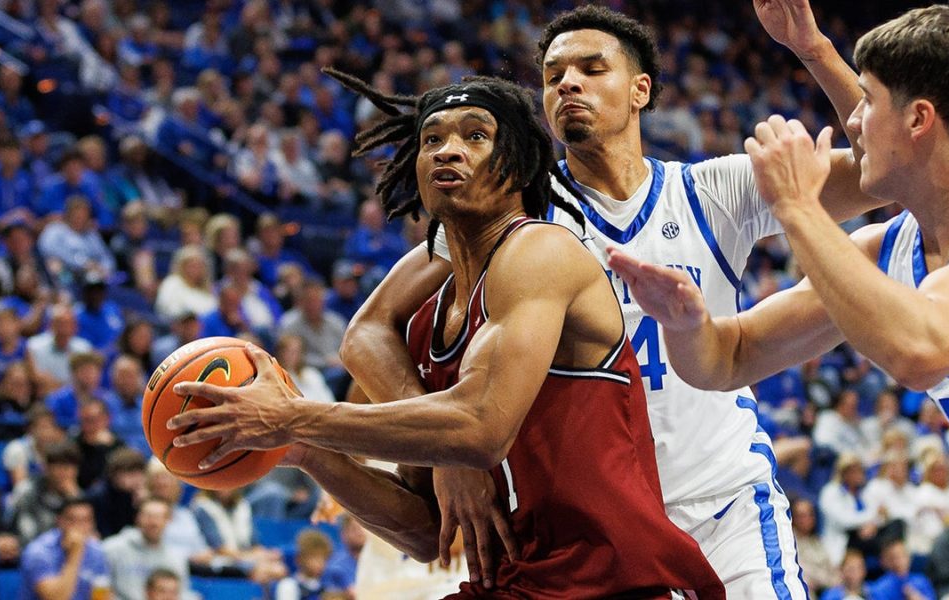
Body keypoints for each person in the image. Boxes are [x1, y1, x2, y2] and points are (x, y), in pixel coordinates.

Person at [339, 2, 881, 593]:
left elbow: (884, 174)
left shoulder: (712, 191)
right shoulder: (512, 214)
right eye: (552, 76)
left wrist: (814, 51)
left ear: (640, 90)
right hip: (598, 525)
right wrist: (445, 454)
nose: (567, 82)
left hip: (724, 502)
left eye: (592, 69)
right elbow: (367, 333)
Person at [169, 75, 725, 598]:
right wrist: (306, 451)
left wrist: (292, 415)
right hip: (519, 582)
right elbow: (423, 532)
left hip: (617, 581)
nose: (446, 150)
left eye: (476, 136)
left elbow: (479, 429)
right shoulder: (424, 326)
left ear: (517, 165)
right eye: (431, 139)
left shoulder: (540, 251)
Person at [608, 3, 949, 596]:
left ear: (919, 120)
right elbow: (728, 359)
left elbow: (924, 349)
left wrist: (796, 206)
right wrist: (685, 323)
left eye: (867, 102)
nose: (853, 123)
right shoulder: (886, 250)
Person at [18, 496, 110, 600]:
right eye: (73, 520)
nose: (80, 527)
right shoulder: (38, 552)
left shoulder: (96, 550)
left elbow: (103, 594)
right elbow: (56, 598)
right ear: (60, 521)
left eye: (86, 520)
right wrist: (76, 552)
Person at [102, 497, 191, 600]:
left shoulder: (177, 558)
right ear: (137, 518)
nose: (153, 523)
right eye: (148, 516)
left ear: (168, 520)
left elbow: (182, 594)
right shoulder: (112, 548)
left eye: (159, 517)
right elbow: (101, 587)